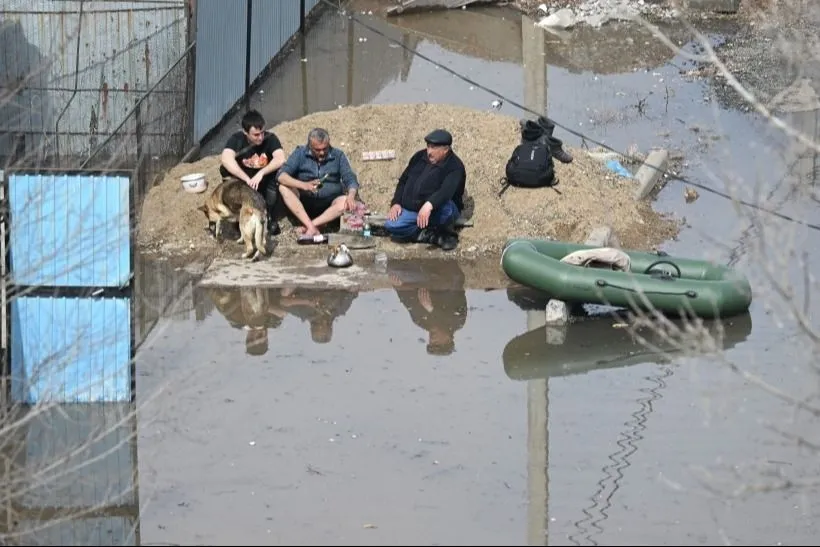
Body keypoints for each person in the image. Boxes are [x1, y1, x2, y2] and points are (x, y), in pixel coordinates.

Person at [384, 129, 464, 251]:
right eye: (428, 147)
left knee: (447, 210)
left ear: (445, 149)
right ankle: (428, 235)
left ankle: (436, 230)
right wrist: (396, 203)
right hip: (414, 211)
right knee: (391, 225)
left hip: (437, 210)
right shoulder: (418, 157)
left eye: (433, 148)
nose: (429, 152)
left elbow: (446, 192)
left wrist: (429, 205)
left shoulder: (455, 166)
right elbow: (403, 181)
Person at [276, 128, 361, 237]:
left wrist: (351, 195)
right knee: (284, 188)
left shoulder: (338, 155)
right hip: (303, 204)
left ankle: (309, 226)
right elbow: (281, 175)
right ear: (309, 146)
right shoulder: (300, 153)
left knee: (345, 201)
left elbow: (350, 178)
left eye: (325, 149)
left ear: (329, 142)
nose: (322, 152)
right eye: (317, 150)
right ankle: (312, 226)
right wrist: (304, 185)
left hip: (330, 205)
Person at [219, 109, 286, 236]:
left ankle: (270, 215)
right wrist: (246, 178)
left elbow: (280, 158)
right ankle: (238, 216)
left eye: (262, 133)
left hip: (264, 181)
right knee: (225, 171)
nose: (260, 137)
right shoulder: (237, 140)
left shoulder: (270, 138)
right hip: (244, 182)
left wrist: (261, 173)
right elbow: (226, 159)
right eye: (256, 135)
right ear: (245, 132)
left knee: (279, 173)